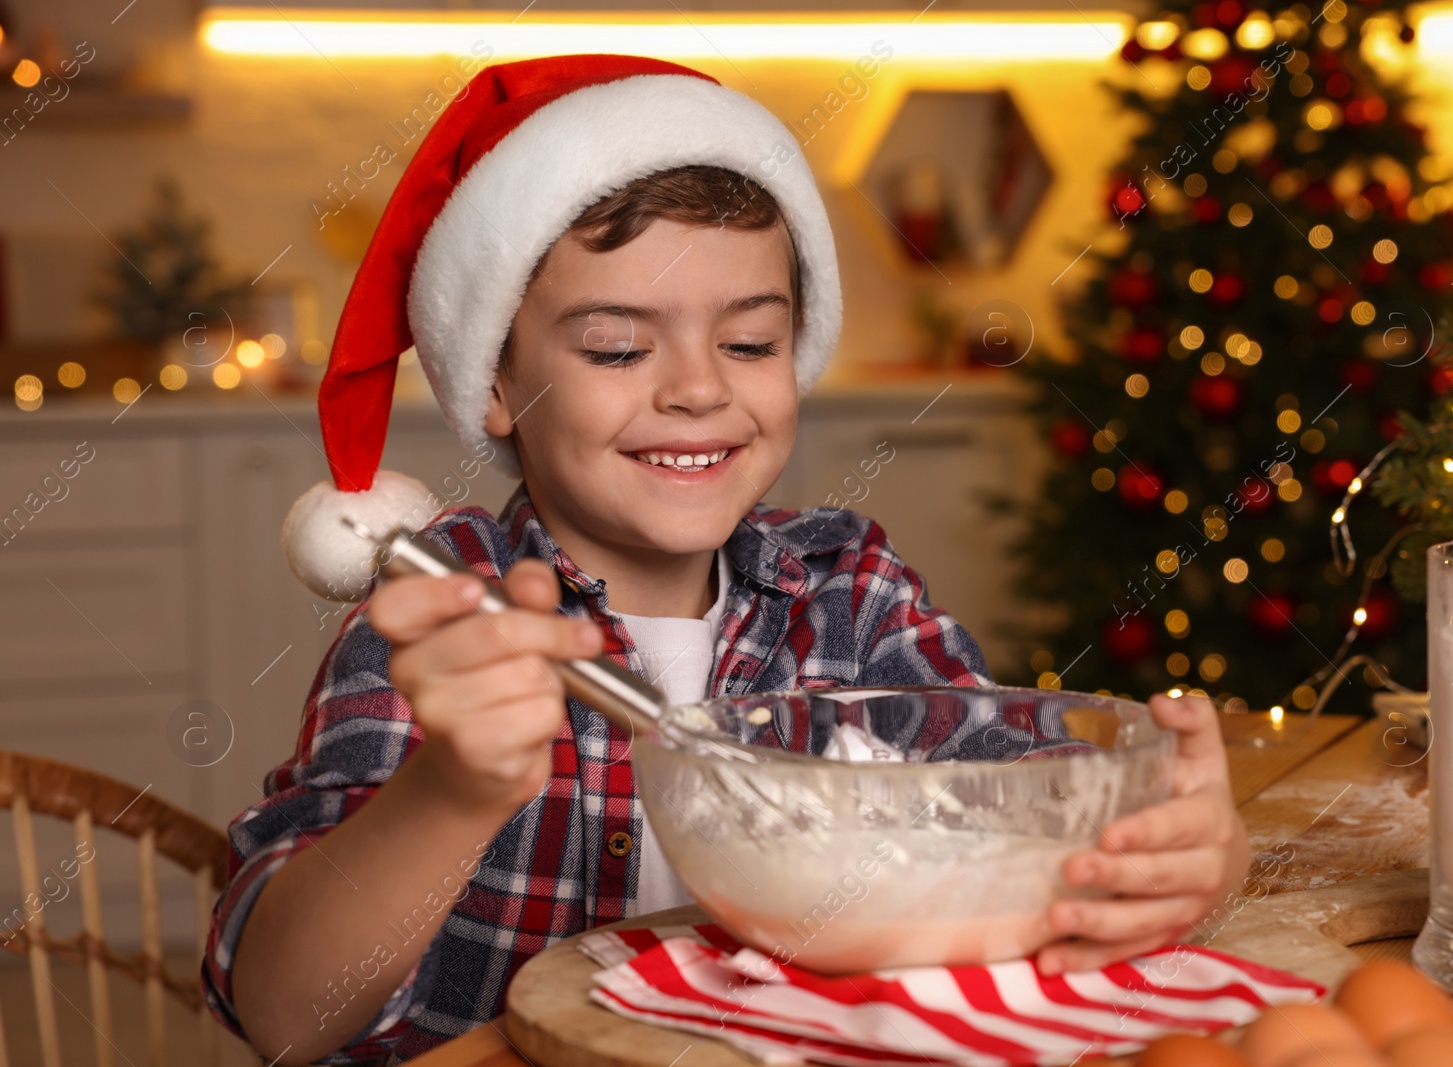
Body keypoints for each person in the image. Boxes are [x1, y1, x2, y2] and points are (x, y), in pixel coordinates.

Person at [203, 53, 1250, 1066]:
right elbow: (289, 1013)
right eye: (617, 346)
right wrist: (453, 788)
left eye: (749, 343)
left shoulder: (850, 592)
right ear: (491, 380)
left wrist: (1176, 852)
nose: (699, 389)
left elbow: (1024, 804)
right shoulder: (439, 620)